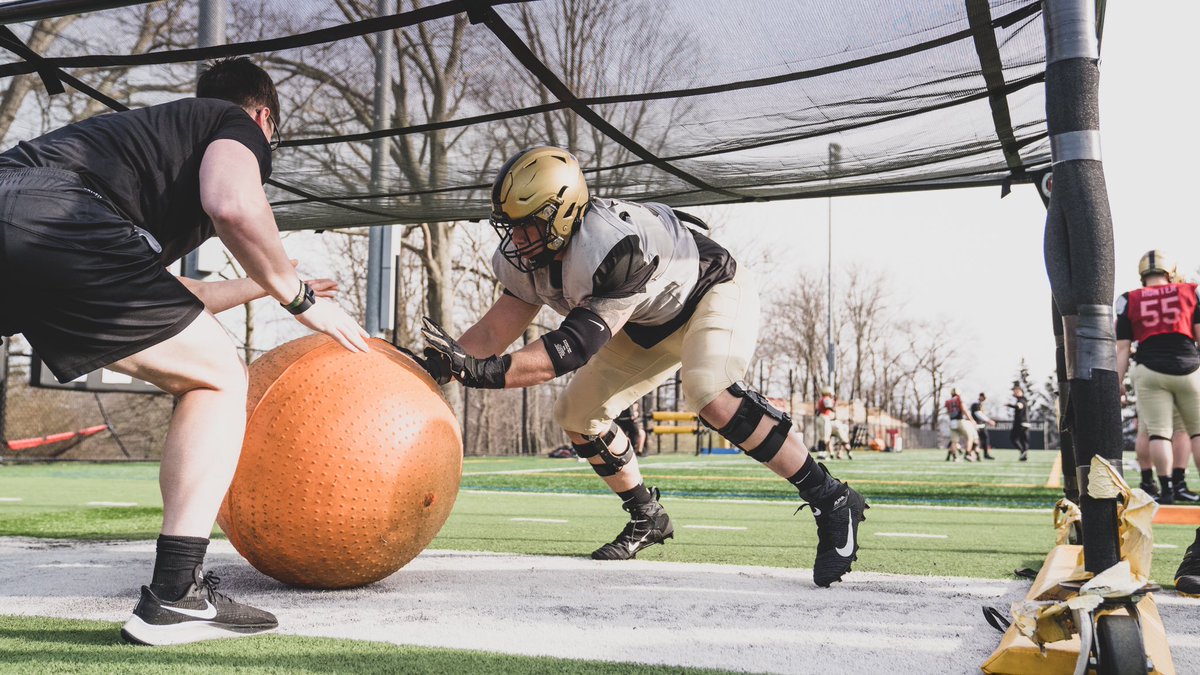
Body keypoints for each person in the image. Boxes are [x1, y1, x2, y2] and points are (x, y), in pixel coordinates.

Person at [0, 57, 369, 646]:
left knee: (200, 360)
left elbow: (179, 298)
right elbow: (233, 204)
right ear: (265, 118)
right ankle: (177, 593)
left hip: (21, 213)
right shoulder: (234, 122)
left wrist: (268, 284)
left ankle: (179, 593)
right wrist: (300, 299)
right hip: (50, 215)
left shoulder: (146, 162)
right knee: (220, 376)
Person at [416, 146, 867, 587]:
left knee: (709, 391)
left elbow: (572, 347)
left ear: (563, 213)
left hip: (709, 294)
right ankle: (648, 517)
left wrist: (479, 373)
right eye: (510, 227)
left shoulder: (613, 246)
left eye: (528, 226)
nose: (517, 239)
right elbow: (494, 332)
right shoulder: (531, 255)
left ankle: (832, 498)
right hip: (644, 322)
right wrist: (434, 366)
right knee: (576, 415)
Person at [1115, 250, 1200, 506]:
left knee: (1157, 434)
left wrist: (1117, 383)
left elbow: (1122, 349)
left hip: (1150, 369)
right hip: (1189, 367)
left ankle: (1165, 490)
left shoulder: (1129, 299)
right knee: (1196, 432)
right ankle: (1180, 483)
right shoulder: (1190, 291)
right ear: (1169, 272)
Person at [944, 388, 976, 461]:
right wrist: (972, 420)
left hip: (952, 422)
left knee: (954, 441)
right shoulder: (959, 400)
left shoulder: (948, 401)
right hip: (960, 421)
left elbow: (948, 412)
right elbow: (964, 410)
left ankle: (955, 457)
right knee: (970, 437)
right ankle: (967, 454)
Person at [1006, 384, 1031, 461]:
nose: (1014, 393)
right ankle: (1024, 456)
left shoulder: (1021, 400)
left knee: (1013, 438)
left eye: (1015, 391)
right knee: (1023, 440)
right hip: (1026, 423)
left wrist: (1010, 405)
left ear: (1020, 392)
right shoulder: (1024, 399)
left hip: (1020, 423)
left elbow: (1019, 406)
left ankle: (1023, 451)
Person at [970, 392, 997, 460]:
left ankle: (986, 454)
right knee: (975, 441)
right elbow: (978, 414)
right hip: (976, 426)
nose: (984, 399)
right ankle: (971, 454)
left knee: (985, 439)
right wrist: (989, 420)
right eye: (983, 397)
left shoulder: (981, 405)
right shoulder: (975, 404)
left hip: (982, 425)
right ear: (980, 396)